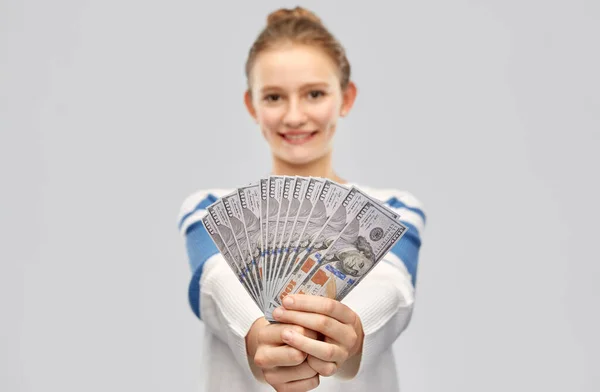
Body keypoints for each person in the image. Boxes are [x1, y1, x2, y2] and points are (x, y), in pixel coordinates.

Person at [177, 6, 427, 392]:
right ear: (252, 107)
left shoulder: (395, 209)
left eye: (314, 93)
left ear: (346, 98)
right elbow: (215, 284)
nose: (295, 116)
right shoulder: (207, 208)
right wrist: (257, 337)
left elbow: (393, 289)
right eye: (275, 97)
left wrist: (352, 332)